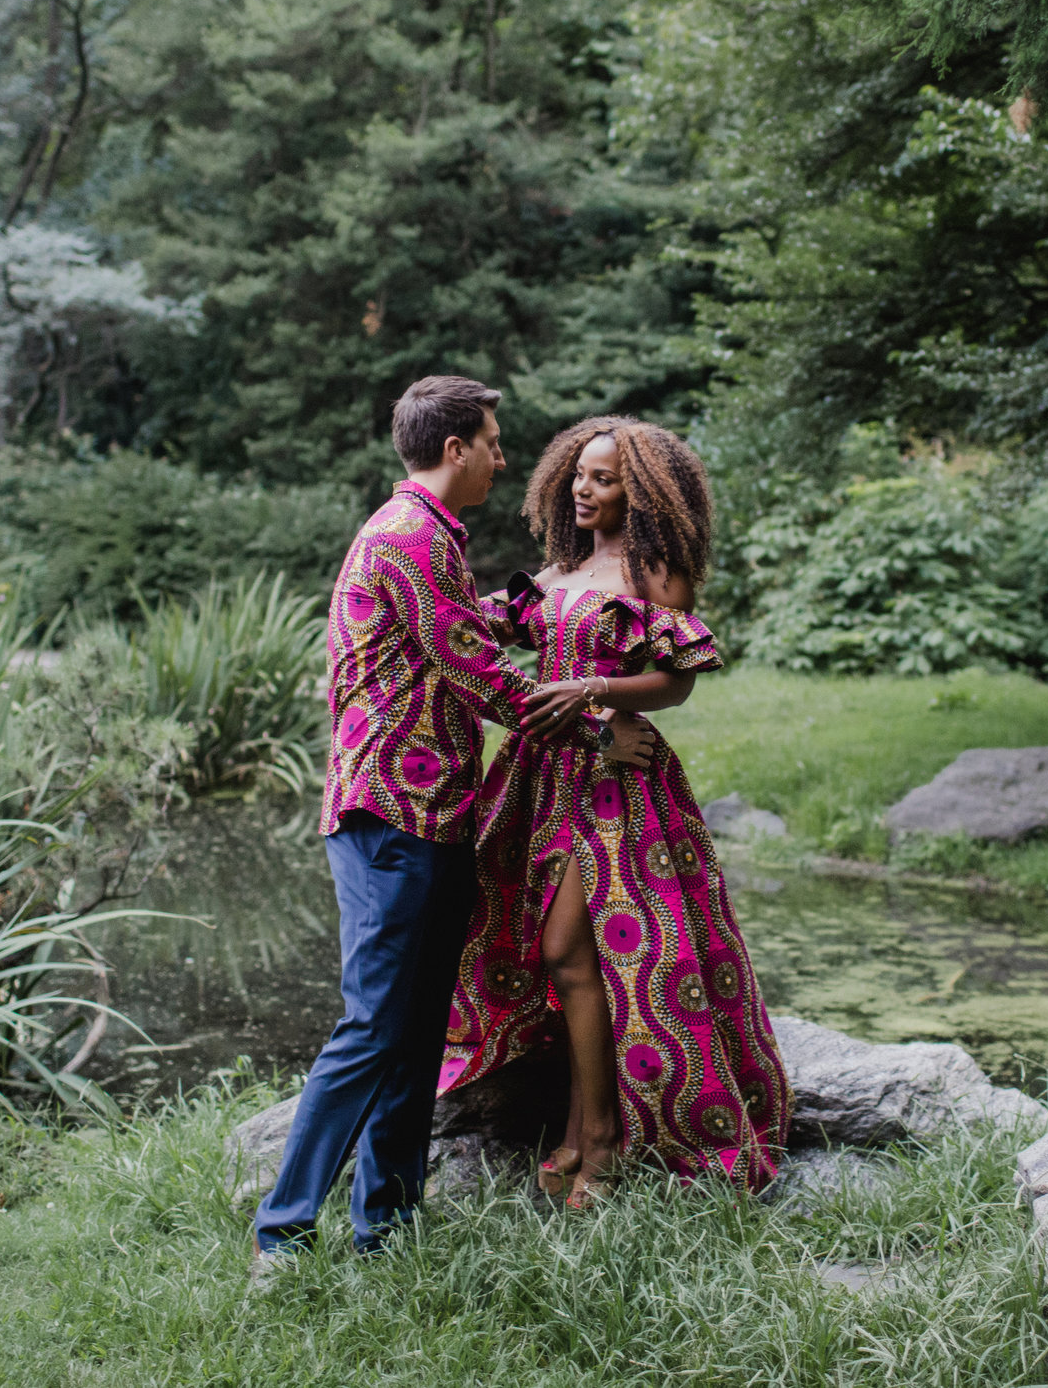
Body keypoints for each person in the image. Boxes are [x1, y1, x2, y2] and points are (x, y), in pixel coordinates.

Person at [252, 376, 651, 1262]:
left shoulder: (431, 537)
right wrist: (596, 729)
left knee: (416, 1031)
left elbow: (465, 627)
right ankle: (281, 1235)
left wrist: (553, 599)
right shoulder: (408, 538)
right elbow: (478, 671)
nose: (505, 461)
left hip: (432, 818)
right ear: (455, 448)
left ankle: (387, 1228)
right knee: (374, 1026)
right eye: (494, 444)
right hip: (389, 816)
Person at [440, 417, 793, 1205]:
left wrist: (596, 690)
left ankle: (602, 1140)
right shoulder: (559, 569)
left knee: (572, 948)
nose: (583, 488)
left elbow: (678, 679)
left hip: (614, 778)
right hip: (540, 775)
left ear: (640, 491)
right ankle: (577, 1127)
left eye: (602, 478)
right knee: (562, 958)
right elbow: (481, 624)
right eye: (578, 474)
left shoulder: (655, 571)